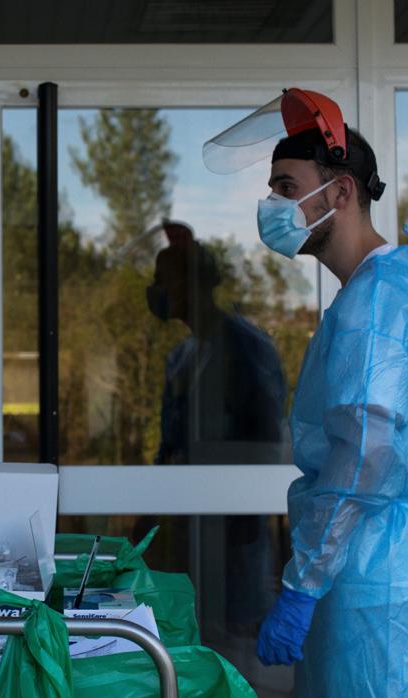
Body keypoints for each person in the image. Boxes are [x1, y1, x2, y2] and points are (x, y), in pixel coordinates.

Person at [206, 88, 408, 695]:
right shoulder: (392, 283)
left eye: (287, 188)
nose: (272, 205)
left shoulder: (374, 303)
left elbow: (364, 450)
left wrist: (303, 583)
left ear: (340, 192)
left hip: (378, 573)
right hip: (394, 556)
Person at [145, 221, 287, 643]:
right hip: (190, 526)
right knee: (192, 636)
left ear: (194, 282)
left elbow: (264, 441)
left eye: (162, 279)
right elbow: (170, 444)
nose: (155, 289)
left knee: (230, 644)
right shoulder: (183, 356)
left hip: (233, 532)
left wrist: (241, 524)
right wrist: (149, 512)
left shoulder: (244, 349)